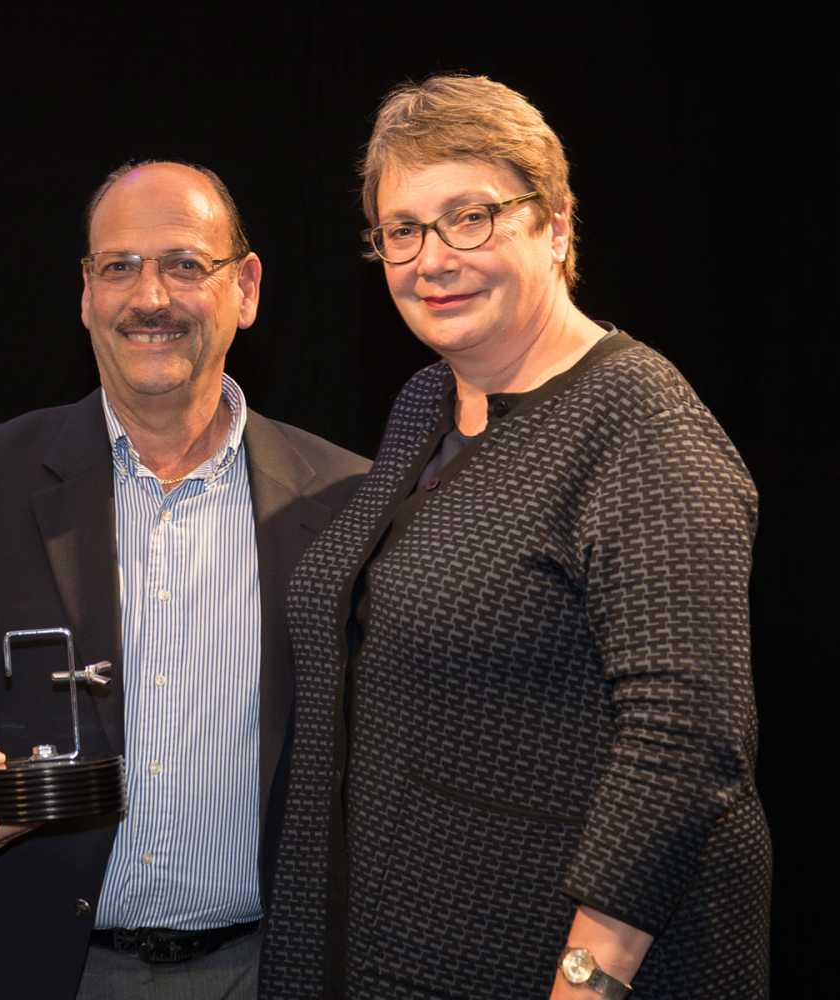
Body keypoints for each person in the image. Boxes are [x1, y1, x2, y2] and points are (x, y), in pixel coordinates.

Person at [260, 75, 771, 999]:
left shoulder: (641, 424)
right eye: (402, 230)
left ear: (558, 226)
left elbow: (688, 740)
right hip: (393, 954)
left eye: (471, 216)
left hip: (554, 972)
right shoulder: (426, 404)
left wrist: (587, 980)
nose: (432, 258)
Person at [0, 161, 369, 999]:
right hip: (24, 970)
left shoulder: (347, 498)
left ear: (246, 288)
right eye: (120, 266)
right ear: (86, 292)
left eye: (185, 265)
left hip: (268, 973)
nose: (149, 297)